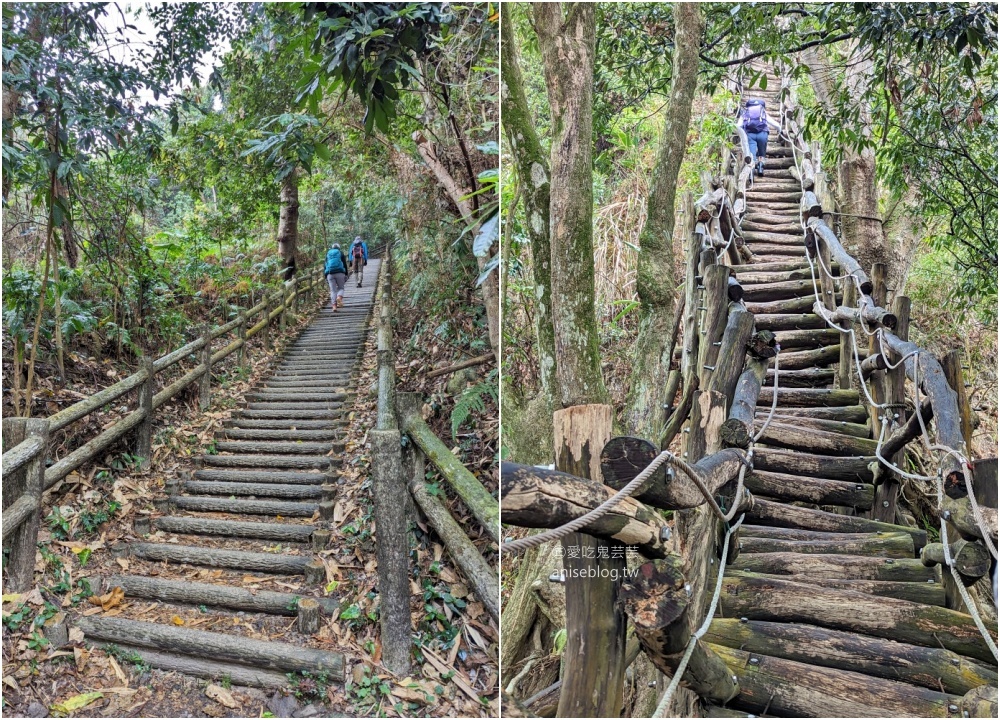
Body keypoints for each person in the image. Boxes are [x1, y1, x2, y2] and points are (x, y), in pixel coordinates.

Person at [737, 99, 780, 176]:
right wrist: (780, 130)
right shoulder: (763, 112)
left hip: (750, 135)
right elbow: (774, 124)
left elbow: (738, 126)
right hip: (763, 134)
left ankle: (751, 173)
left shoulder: (745, 113)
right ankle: (760, 167)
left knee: (752, 154)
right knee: (762, 153)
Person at [324, 242, 348, 312]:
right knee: (341, 288)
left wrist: (325, 275)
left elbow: (325, 265)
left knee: (333, 290)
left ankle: (334, 306)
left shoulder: (328, 254)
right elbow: (344, 264)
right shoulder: (340, 253)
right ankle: (339, 297)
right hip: (340, 273)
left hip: (330, 273)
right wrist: (346, 274)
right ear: (339, 247)